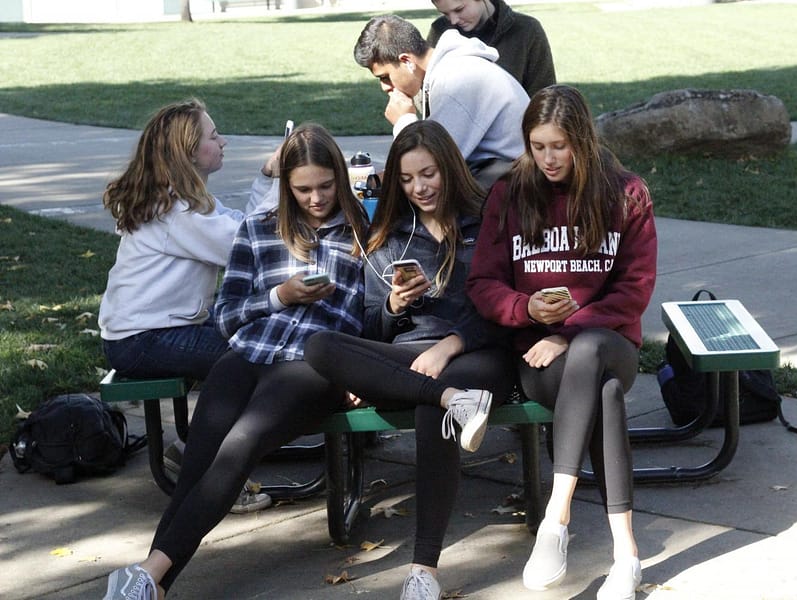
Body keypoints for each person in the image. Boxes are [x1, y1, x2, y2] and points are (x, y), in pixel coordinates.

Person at [102, 123, 370, 600]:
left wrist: (361, 368)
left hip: (310, 361)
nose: (315, 198)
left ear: (341, 180)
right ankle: (155, 582)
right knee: (201, 455)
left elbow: (371, 316)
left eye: (326, 186)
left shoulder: (363, 232)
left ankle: (149, 572)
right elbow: (226, 315)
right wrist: (278, 297)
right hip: (248, 352)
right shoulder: (259, 228)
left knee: (241, 442)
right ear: (286, 186)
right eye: (303, 189)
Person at [305, 119, 514, 600]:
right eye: (405, 179)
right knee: (320, 346)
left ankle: (424, 570)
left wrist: (450, 345)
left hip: (478, 354)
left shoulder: (488, 222)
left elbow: (509, 310)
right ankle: (452, 399)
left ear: (451, 169)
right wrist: (394, 305)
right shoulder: (392, 237)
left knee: (429, 411)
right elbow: (371, 327)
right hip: (412, 359)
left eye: (428, 174)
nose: (418, 188)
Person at [466, 85, 658, 600]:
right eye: (538, 145)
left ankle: (556, 516)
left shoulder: (626, 193)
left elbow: (635, 291)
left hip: (610, 345)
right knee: (605, 396)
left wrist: (567, 332)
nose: (548, 158)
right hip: (539, 359)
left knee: (592, 350)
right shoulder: (510, 194)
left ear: (583, 141)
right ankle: (627, 556)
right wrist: (526, 310)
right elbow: (482, 284)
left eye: (559, 146)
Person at [98, 98, 270, 514]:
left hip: (150, 330)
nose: (223, 141)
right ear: (189, 151)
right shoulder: (176, 213)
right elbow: (245, 246)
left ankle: (191, 446)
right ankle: (212, 470)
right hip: (145, 338)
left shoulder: (181, 201)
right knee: (244, 358)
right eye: (213, 136)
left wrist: (267, 179)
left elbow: (241, 226)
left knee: (251, 339)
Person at [353, 14, 529, 191]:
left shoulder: (454, 81)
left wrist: (403, 122)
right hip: (503, 179)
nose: (385, 87)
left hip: (517, 189)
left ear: (407, 61)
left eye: (385, 77)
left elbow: (426, 166)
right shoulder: (450, 69)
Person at [427, 0, 556, 97]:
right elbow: (426, 91)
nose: (453, 20)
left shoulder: (527, 30)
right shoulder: (440, 31)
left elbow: (545, 95)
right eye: (445, 13)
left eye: (459, 10)